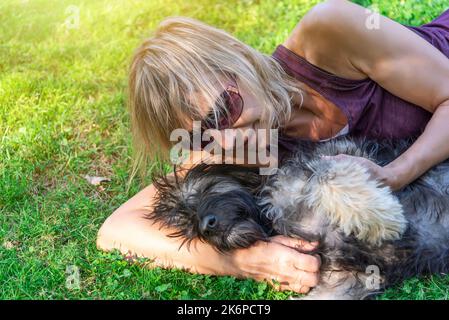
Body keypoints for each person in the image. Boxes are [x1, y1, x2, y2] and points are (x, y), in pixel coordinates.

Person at [97, 0, 449, 294]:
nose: (227, 140)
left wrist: (395, 175)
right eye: (202, 136)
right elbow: (116, 230)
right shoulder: (230, 147)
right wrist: (246, 261)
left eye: (223, 109)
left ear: (237, 56)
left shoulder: (328, 33)